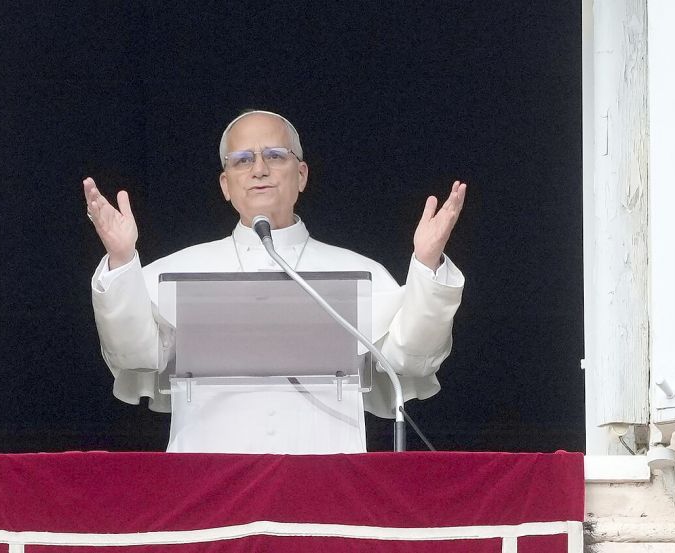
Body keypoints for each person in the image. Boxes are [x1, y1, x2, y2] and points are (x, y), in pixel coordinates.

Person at [84, 110, 466, 453]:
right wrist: (122, 261)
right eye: (243, 160)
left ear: (301, 176)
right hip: (208, 487)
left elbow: (412, 358)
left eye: (275, 156)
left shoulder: (360, 273)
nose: (259, 169)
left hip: (325, 486)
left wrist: (427, 264)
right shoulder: (176, 271)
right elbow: (132, 355)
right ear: (225, 185)